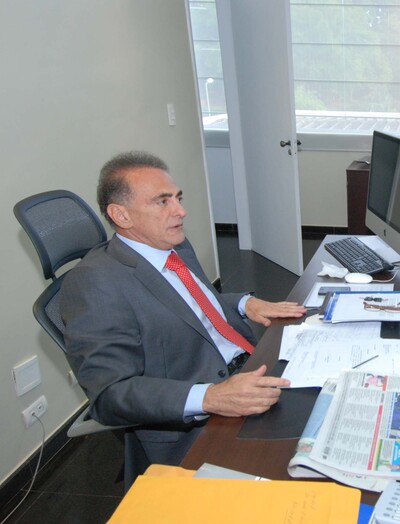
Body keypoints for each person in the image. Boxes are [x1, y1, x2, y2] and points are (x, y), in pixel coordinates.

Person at [61, 151, 306, 486]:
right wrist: (210, 397)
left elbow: (187, 301)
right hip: (196, 423)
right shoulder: (94, 283)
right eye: (162, 202)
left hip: (247, 368)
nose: (180, 211)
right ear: (121, 215)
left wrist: (243, 303)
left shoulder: (172, 243)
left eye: (178, 198)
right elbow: (110, 394)